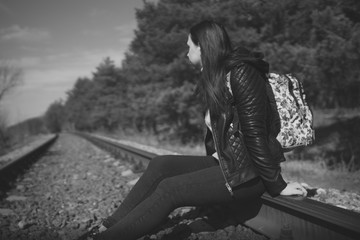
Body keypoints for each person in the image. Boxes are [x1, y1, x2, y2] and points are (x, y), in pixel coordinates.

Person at [80, 20, 308, 240]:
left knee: (170, 189)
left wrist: (278, 185)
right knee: (161, 164)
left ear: (202, 47)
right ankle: (107, 227)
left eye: (189, 47)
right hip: (229, 163)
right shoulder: (218, 76)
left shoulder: (242, 73)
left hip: (249, 174)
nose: (186, 52)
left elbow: (255, 133)